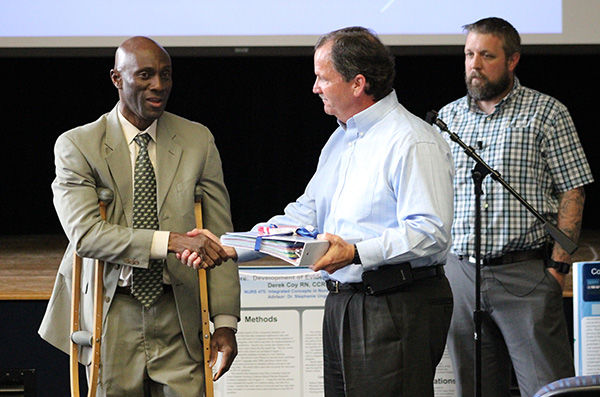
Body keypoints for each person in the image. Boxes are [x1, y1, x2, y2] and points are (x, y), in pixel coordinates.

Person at [182, 26, 455, 396]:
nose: (315, 88)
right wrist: (231, 246)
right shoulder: (340, 139)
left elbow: (430, 231)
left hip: (397, 304)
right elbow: (303, 217)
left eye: (322, 78)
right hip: (345, 302)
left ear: (357, 84)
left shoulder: (412, 140)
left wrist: (356, 251)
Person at [39, 36, 240, 396]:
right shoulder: (78, 144)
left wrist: (225, 323)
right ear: (117, 78)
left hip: (178, 308)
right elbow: (85, 235)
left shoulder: (197, 140)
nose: (159, 86)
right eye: (145, 75)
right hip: (112, 308)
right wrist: (171, 242)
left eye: (166, 75)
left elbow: (218, 238)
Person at [437, 17, 594, 397]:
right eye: (469, 54)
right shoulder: (447, 118)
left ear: (512, 60)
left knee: (547, 388)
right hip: (461, 275)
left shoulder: (547, 113)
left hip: (525, 274)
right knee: (474, 388)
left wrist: (557, 268)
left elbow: (572, 191)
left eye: (487, 55)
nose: (474, 64)